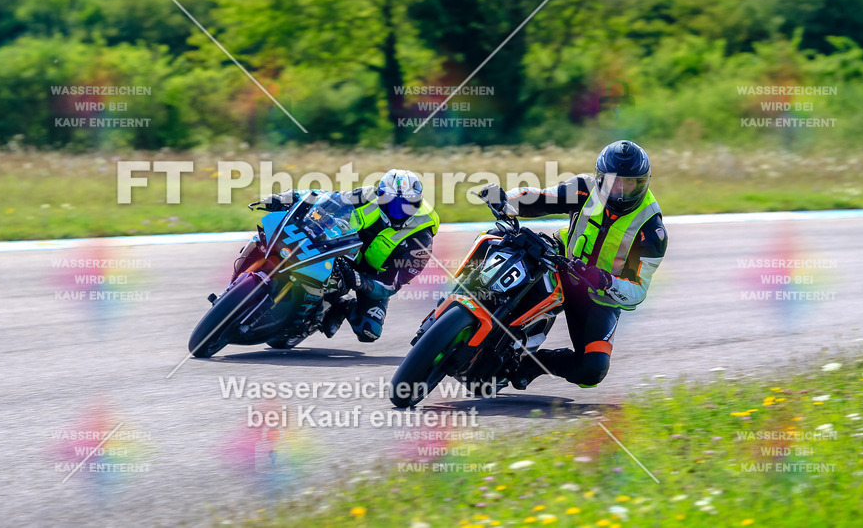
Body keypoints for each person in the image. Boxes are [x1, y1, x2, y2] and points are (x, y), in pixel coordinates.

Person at [480, 140, 667, 389]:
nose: (621, 191)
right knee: (498, 236)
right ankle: (462, 301)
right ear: (600, 178)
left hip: (599, 296)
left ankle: (535, 362)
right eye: (614, 182)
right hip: (557, 262)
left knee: (593, 370)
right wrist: (505, 199)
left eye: (630, 183)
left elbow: (638, 289)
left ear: (643, 182)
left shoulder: (652, 231)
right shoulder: (584, 188)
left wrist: (605, 280)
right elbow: (541, 198)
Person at [255, 169, 440, 343]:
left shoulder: (422, 239)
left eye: (406, 206)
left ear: (418, 203)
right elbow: (328, 198)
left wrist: (361, 281)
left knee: (369, 331)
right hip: (342, 249)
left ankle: (338, 307)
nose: (398, 211)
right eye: (391, 203)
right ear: (380, 195)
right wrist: (288, 197)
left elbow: (394, 283)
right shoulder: (366, 196)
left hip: (372, 276)